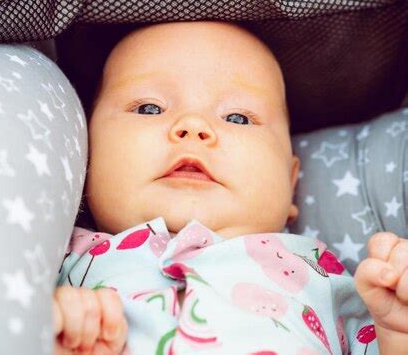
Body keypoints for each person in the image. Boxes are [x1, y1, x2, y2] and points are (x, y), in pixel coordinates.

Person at [53, 21, 408, 355]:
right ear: (84, 153)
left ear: (290, 181)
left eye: (237, 118)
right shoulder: (56, 261)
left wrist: (396, 331)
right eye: (149, 108)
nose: (192, 126)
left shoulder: (327, 280)